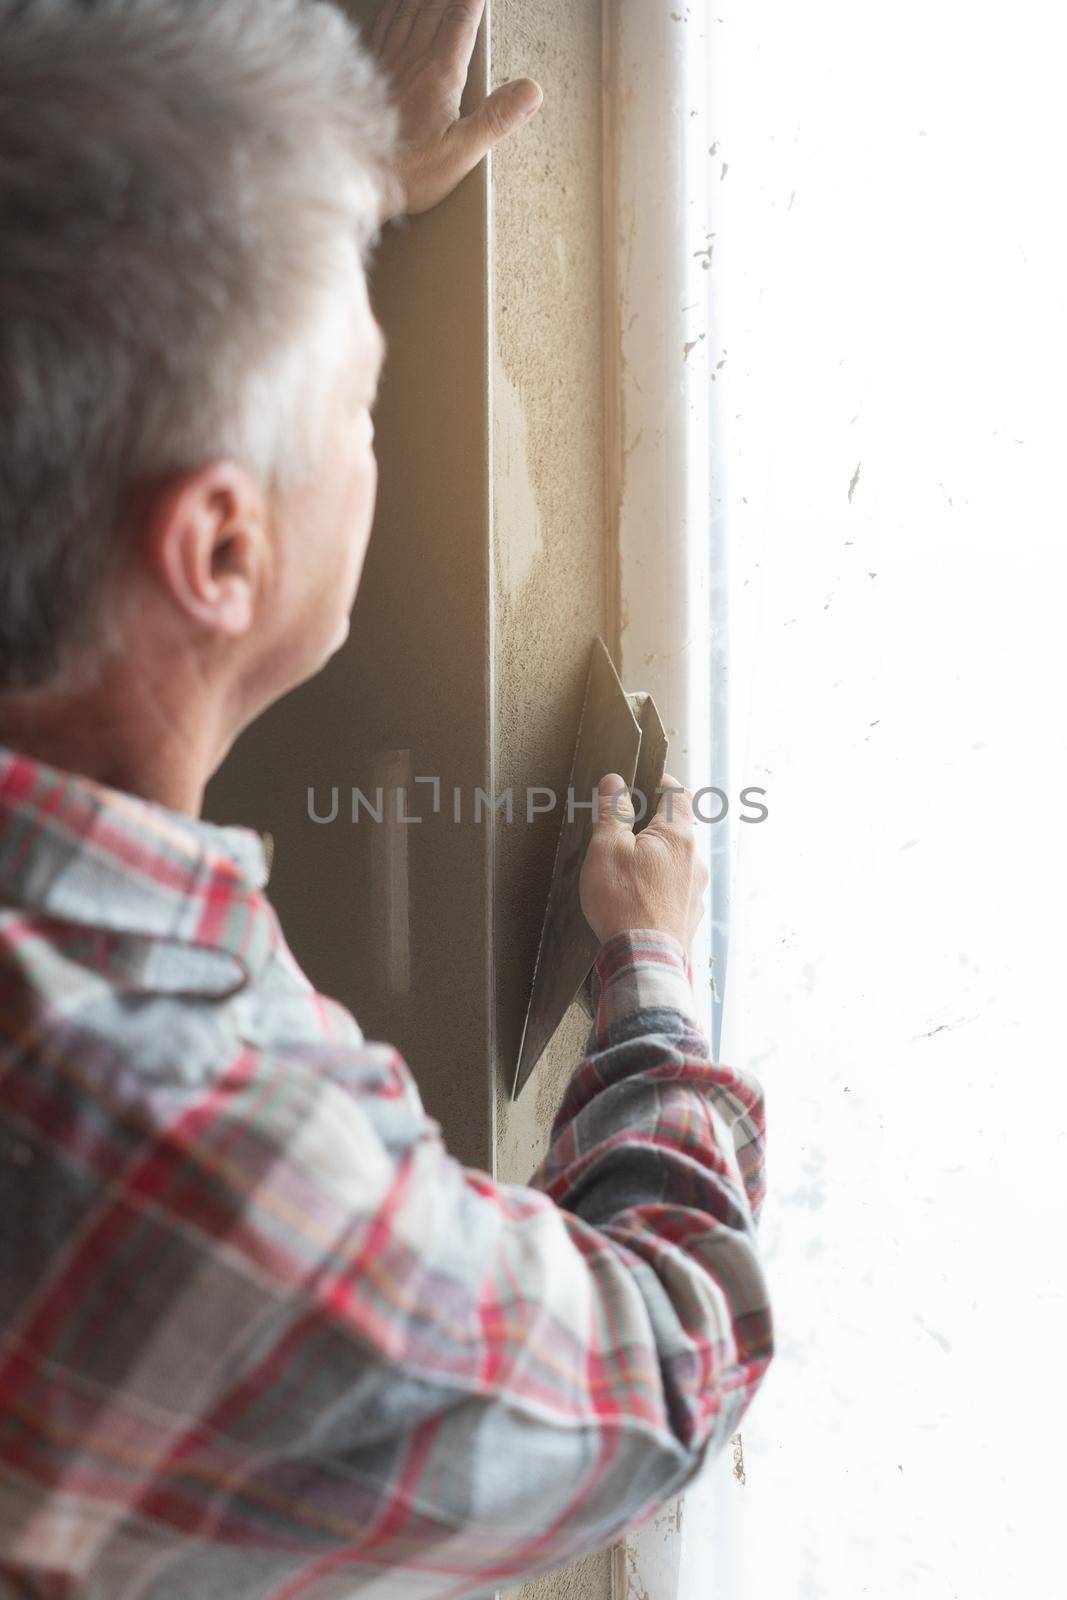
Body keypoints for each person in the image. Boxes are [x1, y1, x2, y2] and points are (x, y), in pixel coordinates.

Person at [0, 2, 775, 1595]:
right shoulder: (180, 1166)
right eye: (359, 412)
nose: (374, 443)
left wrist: (321, 179)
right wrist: (649, 992)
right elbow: (671, 1362)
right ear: (221, 551)